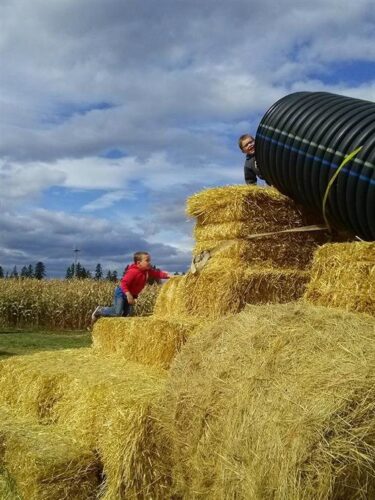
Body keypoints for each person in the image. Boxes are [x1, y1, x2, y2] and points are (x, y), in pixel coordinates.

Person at [91, 251, 172, 324]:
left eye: (149, 260)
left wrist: (168, 276)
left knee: (126, 316)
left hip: (131, 295)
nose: (149, 262)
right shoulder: (133, 271)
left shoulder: (147, 272)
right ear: (138, 262)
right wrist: (128, 295)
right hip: (122, 293)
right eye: (147, 260)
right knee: (117, 312)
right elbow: (123, 283)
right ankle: (100, 310)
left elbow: (157, 274)